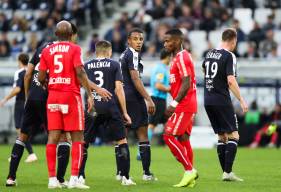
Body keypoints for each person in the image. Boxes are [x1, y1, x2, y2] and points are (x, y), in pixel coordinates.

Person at [38, 20, 94, 189]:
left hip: (53, 96)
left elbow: (40, 77)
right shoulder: (75, 48)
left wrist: (51, 84)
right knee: (78, 137)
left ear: (56, 34)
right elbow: (80, 71)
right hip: (71, 95)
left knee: (53, 137)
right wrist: (90, 94)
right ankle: (74, 179)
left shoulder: (46, 50)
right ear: (71, 35)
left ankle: (52, 180)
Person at [79, 40, 136, 186]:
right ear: (109, 51)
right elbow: (118, 89)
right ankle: (125, 177)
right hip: (110, 106)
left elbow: (82, 84)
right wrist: (125, 112)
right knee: (122, 141)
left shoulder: (86, 65)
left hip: (93, 108)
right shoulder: (114, 64)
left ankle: (80, 176)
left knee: (84, 143)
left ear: (96, 51)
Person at [202, 28, 248, 182]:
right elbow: (230, 80)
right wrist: (241, 99)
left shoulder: (209, 53)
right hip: (221, 99)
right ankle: (228, 173)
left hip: (207, 99)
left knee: (222, 137)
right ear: (233, 41)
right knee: (234, 135)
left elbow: (204, 68)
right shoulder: (229, 56)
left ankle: (226, 172)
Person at [119, 28, 156, 181]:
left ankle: (121, 173)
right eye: (135, 39)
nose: (139, 42)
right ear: (129, 40)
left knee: (122, 136)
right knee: (142, 134)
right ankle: (146, 173)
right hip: (134, 97)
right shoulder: (132, 54)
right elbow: (135, 79)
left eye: (141, 39)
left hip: (123, 97)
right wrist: (148, 98)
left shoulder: (124, 54)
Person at [163, 28, 198, 187]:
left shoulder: (182, 57)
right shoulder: (176, 57)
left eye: (168, 40)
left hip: (184, 105)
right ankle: (191, 179)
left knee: (168, 135)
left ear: (177, 41)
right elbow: (179, 83)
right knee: (183, 138)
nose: (165, 43)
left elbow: (187, 81)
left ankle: (189, 170)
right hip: (187, 103)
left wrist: (174, 103)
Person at [0, 53, 38, 163]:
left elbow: (17, 89)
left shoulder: (19, 72)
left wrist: (5, 99)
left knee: (20, 129)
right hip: (32, 101)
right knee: (24, 129)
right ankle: (16, 154)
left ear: (19, 61)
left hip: (21, 102)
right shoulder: (33, 71)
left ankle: (30, 153)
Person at [148, 49, 170, 142]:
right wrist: (171, 89)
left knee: (167, 123)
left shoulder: (162, 68)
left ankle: (171, 144)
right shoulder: (160, 69)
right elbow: (158, 85)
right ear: (168, 57)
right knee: (152, 124)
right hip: (157, 99)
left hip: (161, 99)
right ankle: (142, 149)